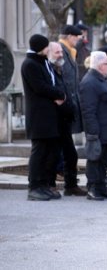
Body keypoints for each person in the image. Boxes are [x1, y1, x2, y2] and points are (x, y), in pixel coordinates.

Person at [21, 34, 66, 201]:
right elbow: (40, 87)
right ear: (40, 47)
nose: (49, 49)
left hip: (50, 114)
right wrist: (59, 94)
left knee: (50, 151)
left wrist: (60, 94)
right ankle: (34, 186)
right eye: (47, 46)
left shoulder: (43, 62)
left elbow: (51, 83)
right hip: (39, 115)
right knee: (39, 151)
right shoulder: (30, 64)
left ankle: (44, 184)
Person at [79, 51, 107, 200]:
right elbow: (88, 110)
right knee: (95, 160)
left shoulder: (101, 79)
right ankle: (93, 188)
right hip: (98, 131)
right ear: (99, 65)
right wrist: (93, 132)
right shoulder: (89, 82)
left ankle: (101, 188)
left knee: (103, 161)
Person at [47, 42, 86, 196]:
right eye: (57, 52)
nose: (61, 55)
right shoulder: (48, 70)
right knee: (53, 155)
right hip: (53, 120)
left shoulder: (59, 70)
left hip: (65, 119)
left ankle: (71, 185)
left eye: (61, 53)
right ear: (49, 53)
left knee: (71, 154)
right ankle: (49, 184)